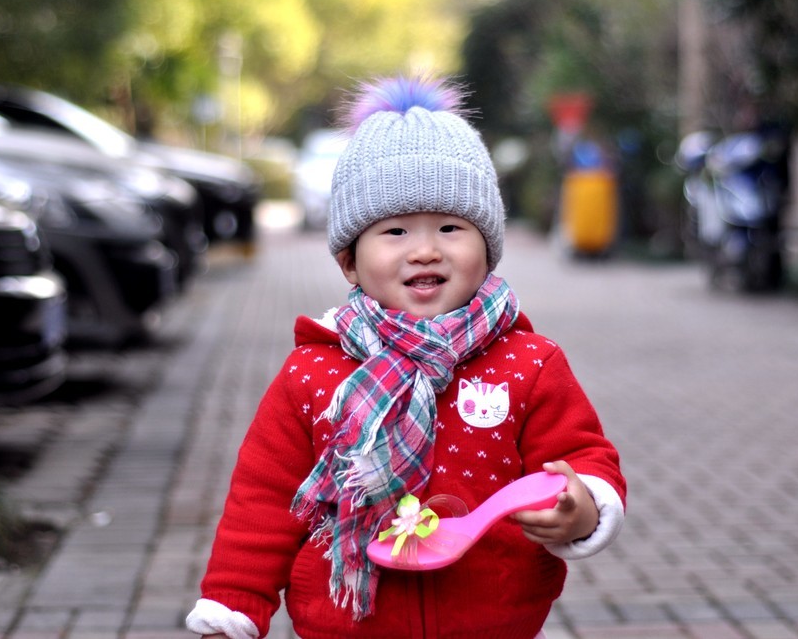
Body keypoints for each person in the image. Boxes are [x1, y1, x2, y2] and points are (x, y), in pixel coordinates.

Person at [186, 75, 626, 639]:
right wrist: (235, 602)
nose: (425, 249)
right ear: (350, 262)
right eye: (394, 231)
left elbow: (582, 454)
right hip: (346, 624)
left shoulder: (527, 363)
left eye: (450, 227)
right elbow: (265, 497)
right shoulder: (316, 373)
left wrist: (582, 504)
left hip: (495, 622)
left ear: (486, 250)